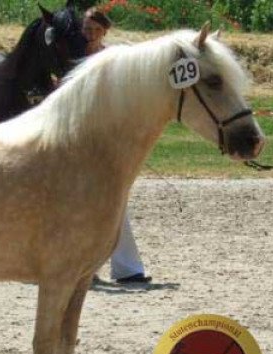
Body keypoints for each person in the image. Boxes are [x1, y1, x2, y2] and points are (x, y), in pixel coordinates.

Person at [82, 8, 152, 284]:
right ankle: (89, 268)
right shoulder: (70, 55)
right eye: (85, 30)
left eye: (93, 30)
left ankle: (127, 268)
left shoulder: (111, 60)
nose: (88, 35)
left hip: (105, 142)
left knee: (114, 204)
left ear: (104, 32)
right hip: (76, 142)